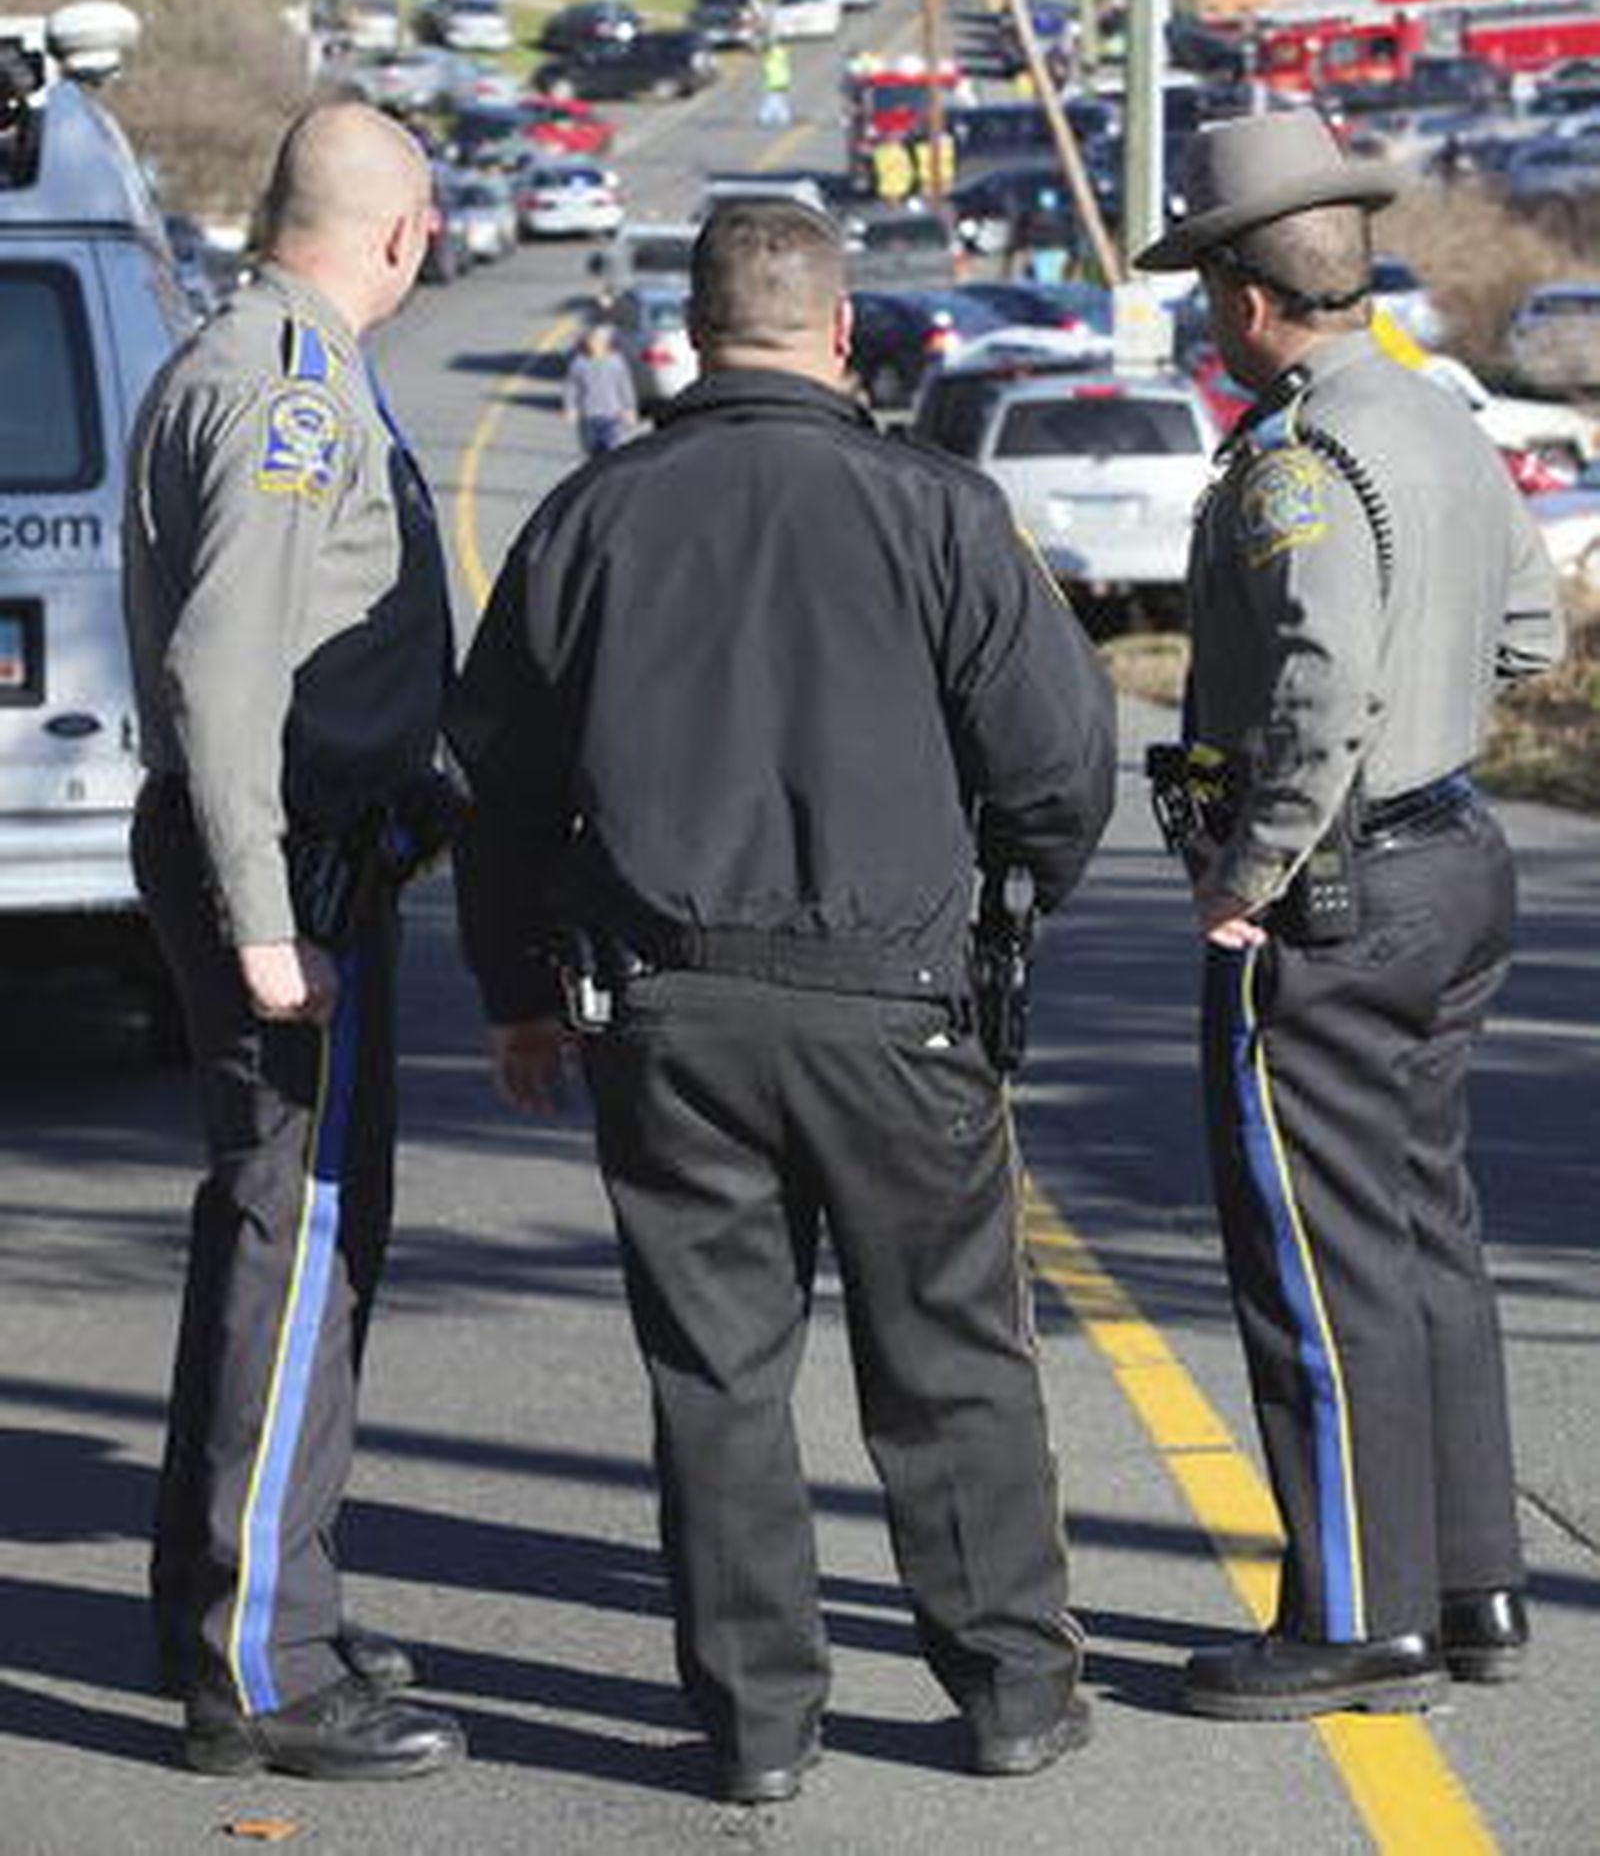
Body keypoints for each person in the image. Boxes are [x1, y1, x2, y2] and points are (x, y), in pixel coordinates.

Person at [447, 200, 1117, 1804]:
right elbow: (1059, 769)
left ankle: (757, 1728)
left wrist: (515, 989)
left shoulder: (589, 517)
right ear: (839, 335)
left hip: (666, 1007)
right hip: (900, 1000)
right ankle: (1010, 1688)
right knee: (951, 1351)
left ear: (687, 337)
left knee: (720, 1373)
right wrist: (1003, 904)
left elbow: (499, 787)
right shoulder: (939, 510)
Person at [1134, 110, 1565, 1721]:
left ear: (1248, 302)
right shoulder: (1440, 415)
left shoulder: (1303, 457)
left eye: (1203, 294)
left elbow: (1319, 679)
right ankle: (1472, 1584)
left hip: (1337, 885)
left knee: (1315, 1263)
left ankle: (1354, 1616)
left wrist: (1251, 869)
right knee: (1422, 1229)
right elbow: (1529, 629)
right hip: (1455, 851)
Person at [123, 102, 466, 1780]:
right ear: (401, 234)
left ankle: (245, 1594)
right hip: (290, 875)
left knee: (275, 1233)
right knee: (300, 1245)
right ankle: (260, 1661)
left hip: (305, 856)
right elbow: (225, 666)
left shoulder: (248, 350)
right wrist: (269, 922)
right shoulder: (286, 390)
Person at [561, 317, 638, 455]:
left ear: (605, 343)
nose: (593, 344)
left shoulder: (616, 362)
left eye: (597, 341)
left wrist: (629, 409)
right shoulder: (579, 363)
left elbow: (625, 387)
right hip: (589, 416)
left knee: (612, 452)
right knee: (591, 452)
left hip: (612, 415)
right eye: (590, 340)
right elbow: (571, 387)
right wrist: (570, 408)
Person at [758, 37, 794, 128]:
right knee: (777, 100)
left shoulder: (771, 56)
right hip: (782, 81)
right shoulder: (778, 53)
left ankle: (766, 118)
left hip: (774, 81)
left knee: (773, 100)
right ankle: (783, 118)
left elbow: (767, 69)